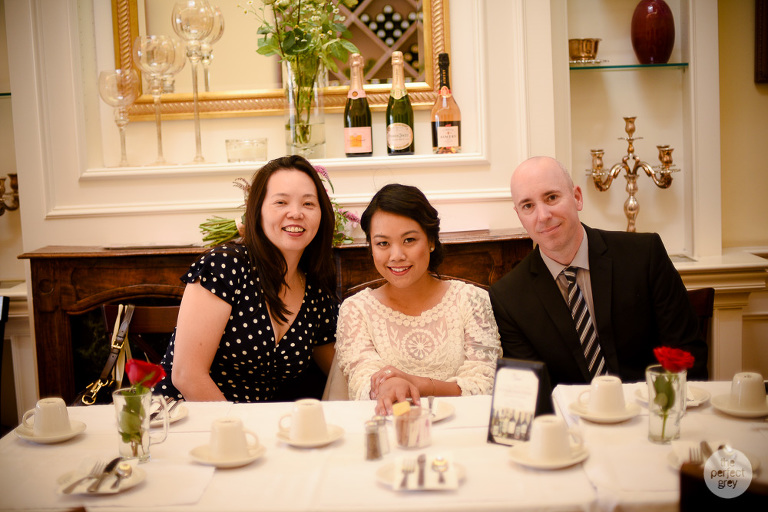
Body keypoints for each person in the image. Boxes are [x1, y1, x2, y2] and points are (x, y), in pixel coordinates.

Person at [489, 156, 708, 387]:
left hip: (650, 404)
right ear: (519, 215)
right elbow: (532, 390)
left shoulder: (645, 255)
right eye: (528, 206)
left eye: (551, 197)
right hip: (569, 409)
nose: (543, 216)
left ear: (577, 197)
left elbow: (687, 353)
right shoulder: (508, 298)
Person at [155, 155, 339, 402]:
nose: (296, 213)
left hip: (257, 422)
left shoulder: (315, 289)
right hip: (182, 416)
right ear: (257, 211)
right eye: (281, 202)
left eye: (308, 203)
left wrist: (384, 378)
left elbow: (340, 371)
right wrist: (235, 426)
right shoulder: (225, 266)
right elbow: (187, 376)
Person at [335, 184, 502, 415]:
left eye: (409, 240)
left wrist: (416, 384)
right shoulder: (356, 309)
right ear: (371, 247)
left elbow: (484, 385)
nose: (397, 256)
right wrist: (388, 386)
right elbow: (363, 383)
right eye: (383, 243)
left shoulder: (472, 300)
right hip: (390, 427)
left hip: (465, 425)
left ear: (431, 241)